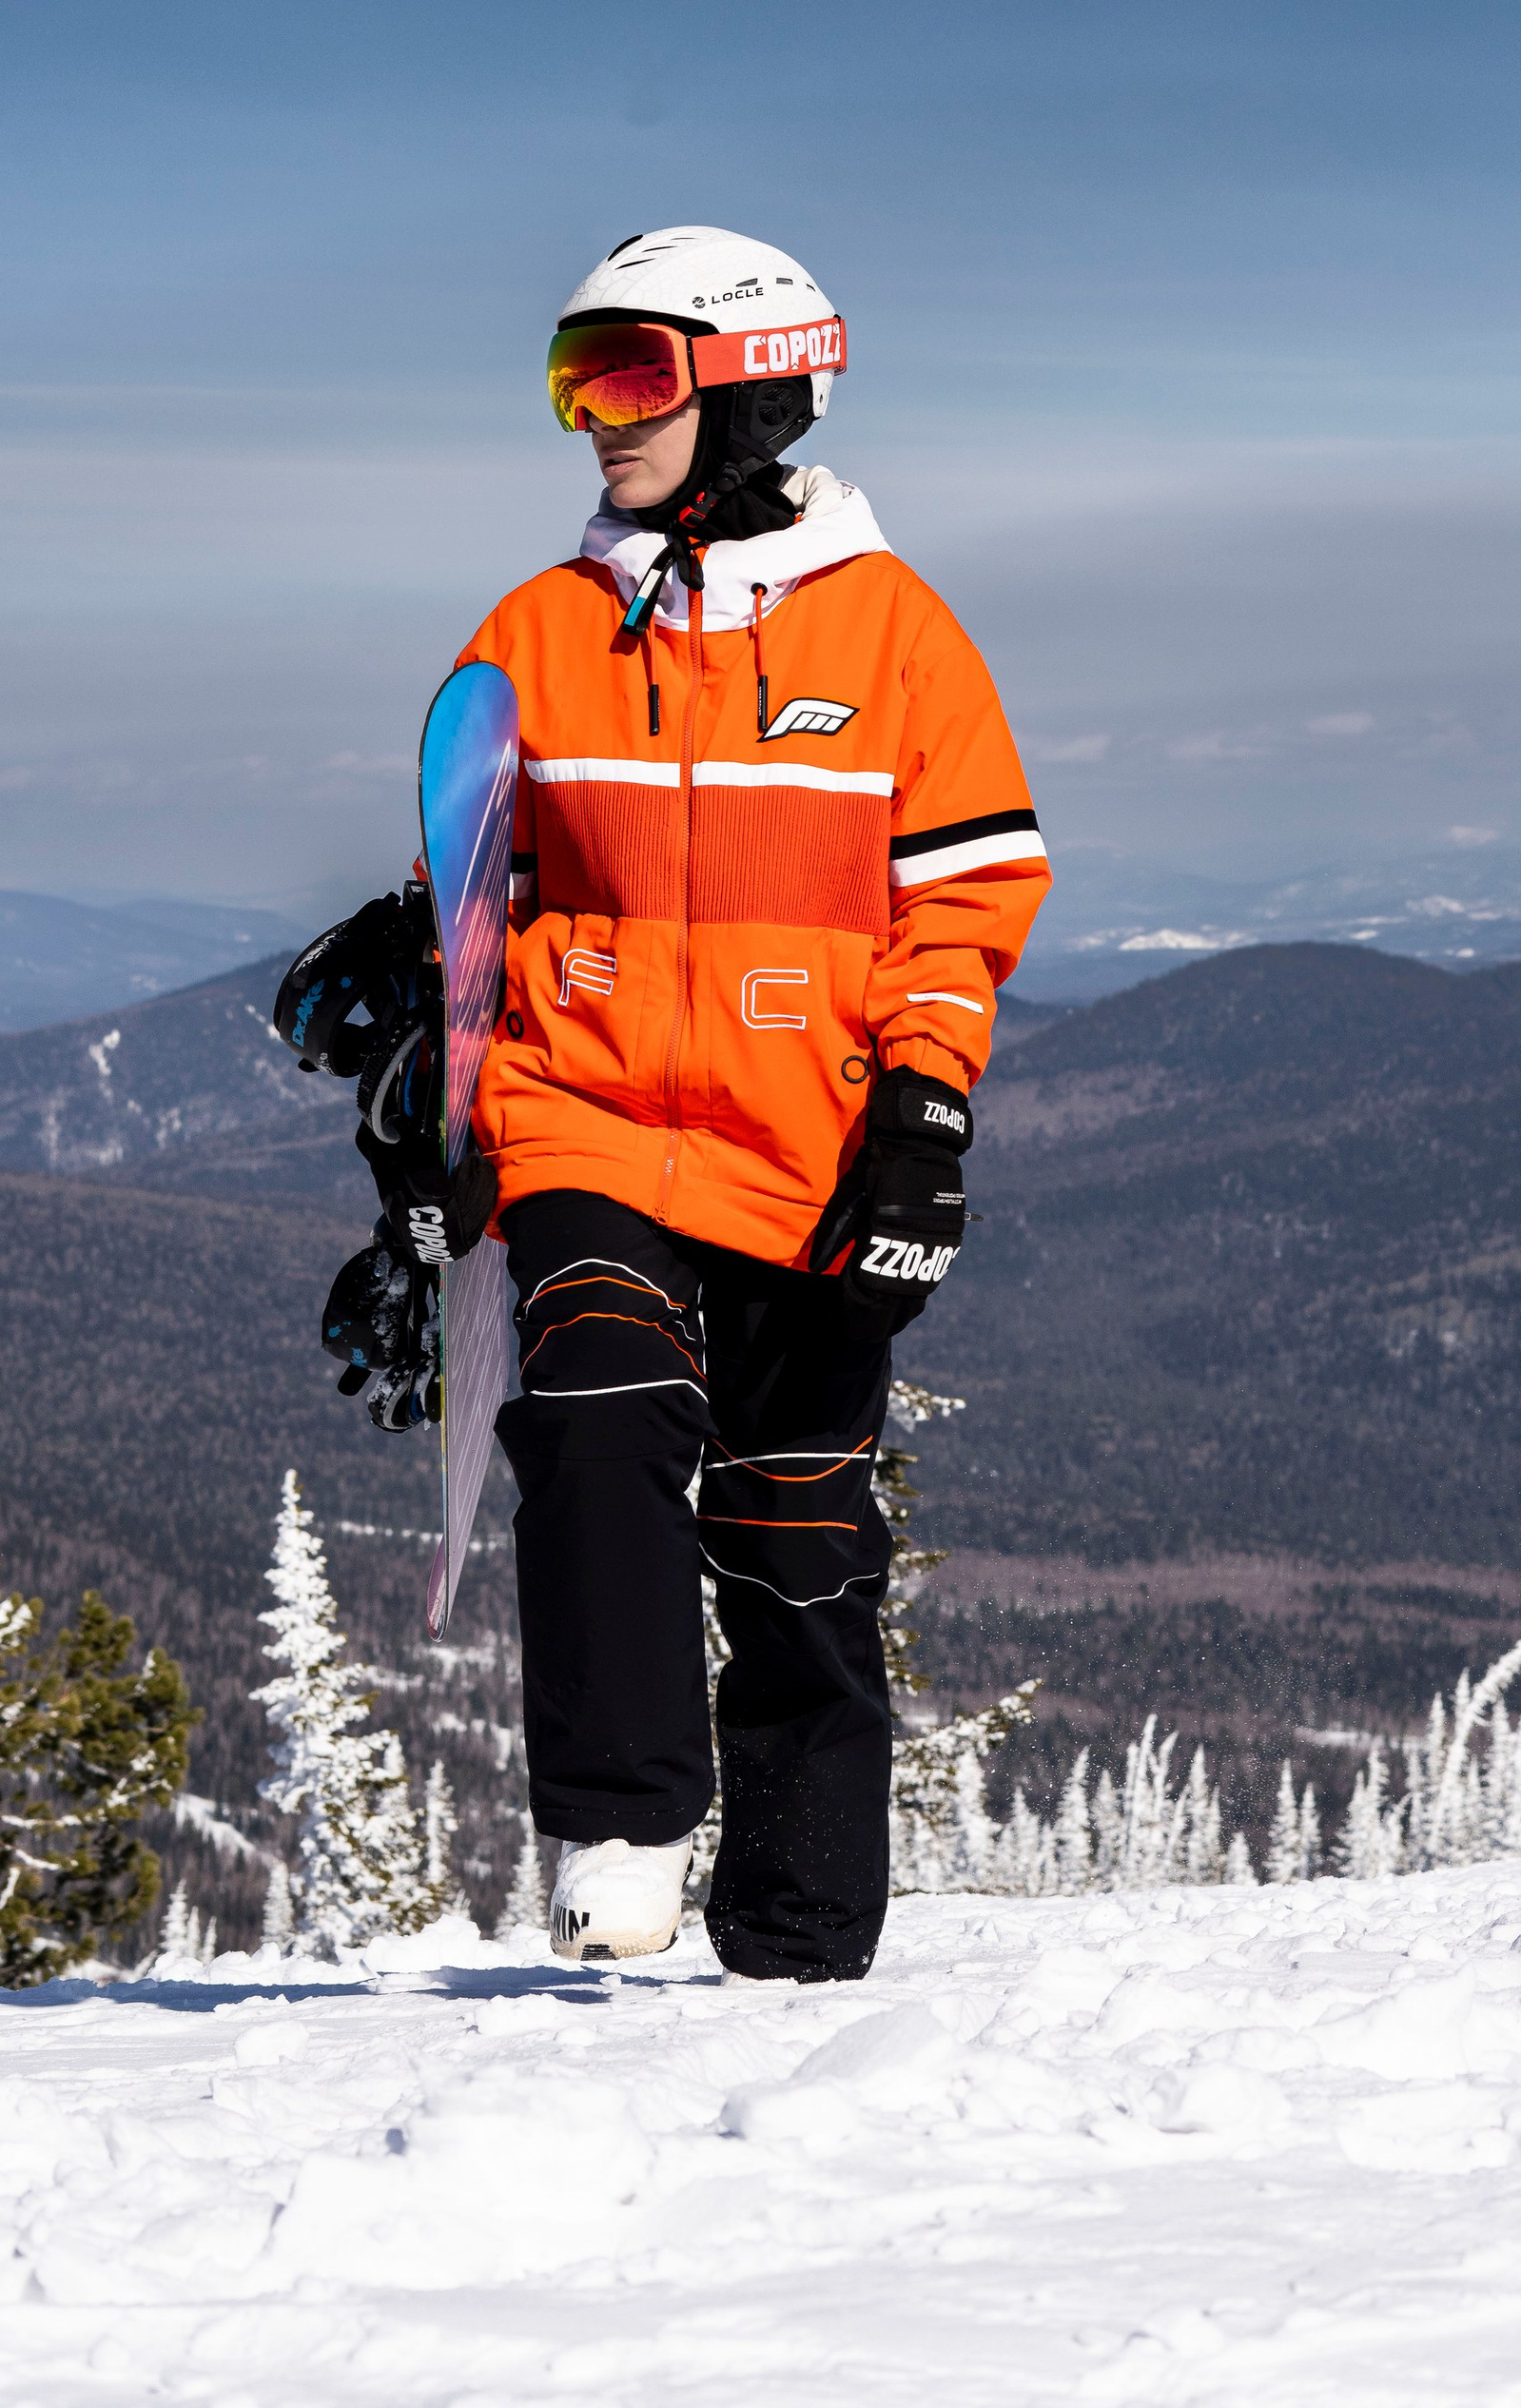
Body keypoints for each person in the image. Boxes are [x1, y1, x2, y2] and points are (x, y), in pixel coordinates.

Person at [284, 225, 1047, 1983]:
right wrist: (424, 1081)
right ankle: (618, 1831)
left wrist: (924, 1120)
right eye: (572, 380)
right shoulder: (539, 634)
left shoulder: (901, 637)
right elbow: (485, 898)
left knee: (800, 1527)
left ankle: (792, 1942)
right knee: (601, 1406)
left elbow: (959, 912)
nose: (591, 420)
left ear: (759, 385)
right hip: (587, 1110)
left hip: (815, 1135)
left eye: (627, 375)